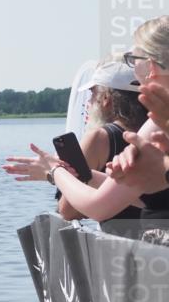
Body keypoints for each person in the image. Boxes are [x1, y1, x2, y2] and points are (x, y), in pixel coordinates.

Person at [5, 16, 169, 231]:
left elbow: (97, 207)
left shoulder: (155, 126)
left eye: (133, 58)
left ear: (150, 67)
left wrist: (55, 171)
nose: (132, 65)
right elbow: (147, 195)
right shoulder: (156, 125)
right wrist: (84, 174)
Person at [55, 59, 146, 235]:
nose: (89, 101)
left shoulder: (99, 139)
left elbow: (69, 211)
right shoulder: (159, 132)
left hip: (121, 250)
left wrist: (57, 174)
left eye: (92, 92)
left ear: (106, 99)